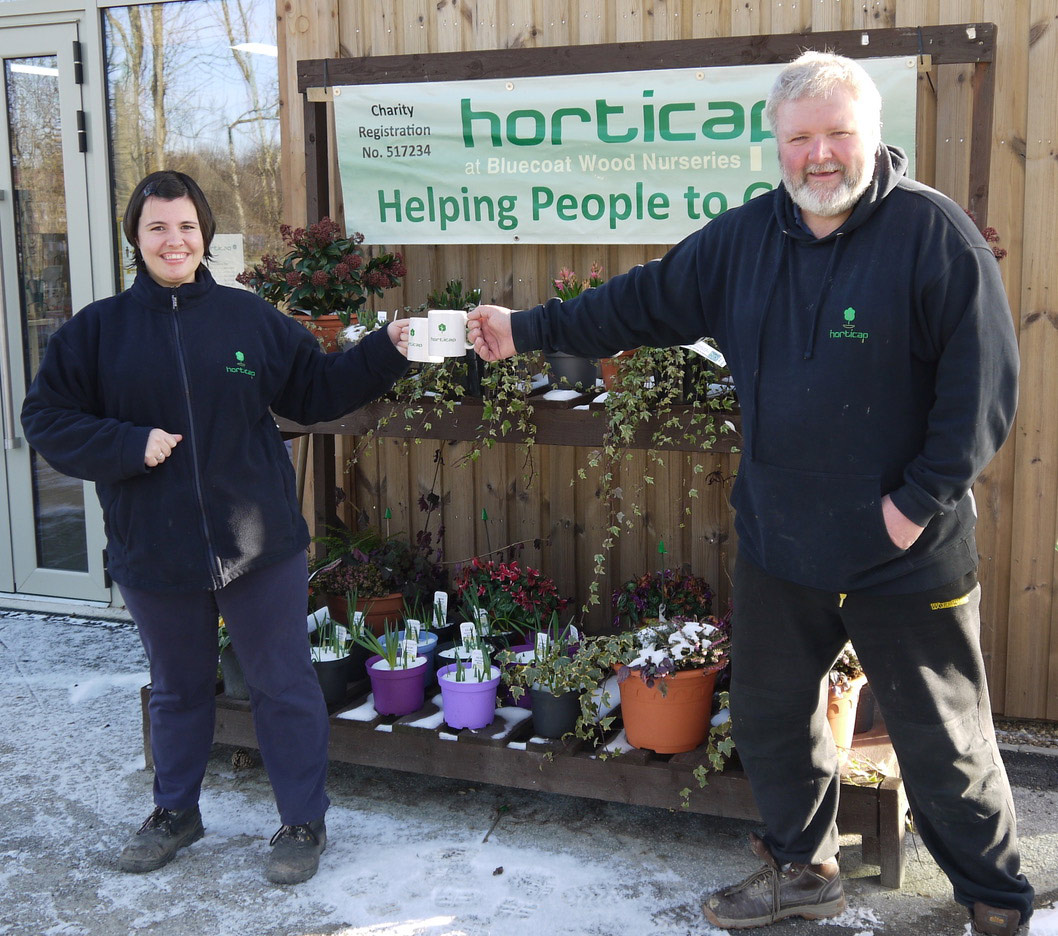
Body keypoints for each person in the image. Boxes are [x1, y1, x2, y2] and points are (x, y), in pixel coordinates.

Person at [465, 52, 1034, 934]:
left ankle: (997, 902)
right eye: (800, 138)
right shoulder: (744, 241)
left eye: (838, 134)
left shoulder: (933, 235)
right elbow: (638, 303)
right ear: (775, 144)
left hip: (904, 551)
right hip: (781, 544)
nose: (819, 156)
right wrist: (527, 329)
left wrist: (915, 502)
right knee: (773, 721)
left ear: (873, 136)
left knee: (945, 741)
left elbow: (983, 388)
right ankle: (803, 872)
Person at [20, 171, 409, 886]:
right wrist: (124, 445)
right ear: (135, 239)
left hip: (257, 543)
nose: (175, 240)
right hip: (152, 544)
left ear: (205, 234)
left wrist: (388, 346)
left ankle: (301, 821)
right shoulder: (95, 333)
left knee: (283, 684)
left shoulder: (248, 319)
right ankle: (176, 812)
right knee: (177, 687)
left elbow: (317, 390)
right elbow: (44, 420)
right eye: (158, 227)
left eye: (187, 226)